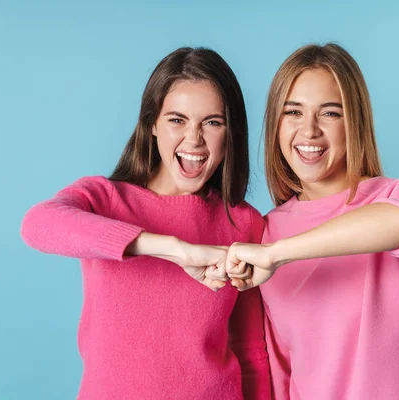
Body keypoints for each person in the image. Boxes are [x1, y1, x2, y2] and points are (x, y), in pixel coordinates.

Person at [21, 47, 270, 400]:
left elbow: (250, 351)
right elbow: (37, 225)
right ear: (152, 123)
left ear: (231, 134)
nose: (194, 139)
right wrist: (172, 249)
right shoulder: (104, 200)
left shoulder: (244, 223)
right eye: (177, 119)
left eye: (212, 122)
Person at [226, 43, 399, 400]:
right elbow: (279, 372)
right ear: (275, 124)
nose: (309, 131)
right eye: (293, 113)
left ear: (356, 122)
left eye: (330, 113)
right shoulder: (263, 233)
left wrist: (277, 254)